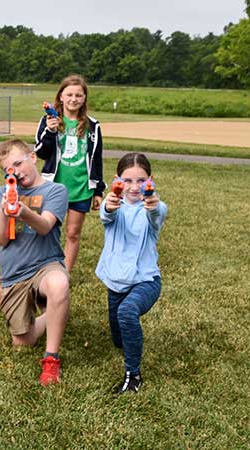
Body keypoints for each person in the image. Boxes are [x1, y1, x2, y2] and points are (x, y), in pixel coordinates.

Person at [0, 139, 71, 386]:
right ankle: (54, 312)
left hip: (46, 264)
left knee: (58, 284)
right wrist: (6, 210)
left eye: (18, 163)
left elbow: (45, 226)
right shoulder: (1, 193)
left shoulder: (55, 190)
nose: (15, 171)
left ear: (32, 157)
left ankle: (51, 358)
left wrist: (23, 212)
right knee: (23, 342)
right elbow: (2, 239)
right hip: (14, 273)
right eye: (8, 170)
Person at [95, 153, 168, 394]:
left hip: (145, 280)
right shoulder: (114, 204)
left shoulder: (154, 207)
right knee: (119, 339)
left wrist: (153, 205)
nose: (134, 187)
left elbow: (157, 214)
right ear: (117, 180)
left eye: (141, 180)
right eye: (127, 181)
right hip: (116, 281)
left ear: (150, 180)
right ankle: (129, 344)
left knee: (128, 313)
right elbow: (106, 214)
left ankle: (133, 375)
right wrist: (108, 203)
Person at [34, 74, 105, 272]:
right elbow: (41, 153)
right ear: (61, 97)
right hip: (54, 186)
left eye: (78, 95)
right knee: (48, 230)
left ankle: (64, 273)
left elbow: (96, 158)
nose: (74, 99)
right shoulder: (49, 120)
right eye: (69, 94)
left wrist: (98, 190)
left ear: (84, 99)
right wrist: (50, 132)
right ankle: (44, 269)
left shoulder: (93, 126)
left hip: (81, 187)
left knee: (73, 233)